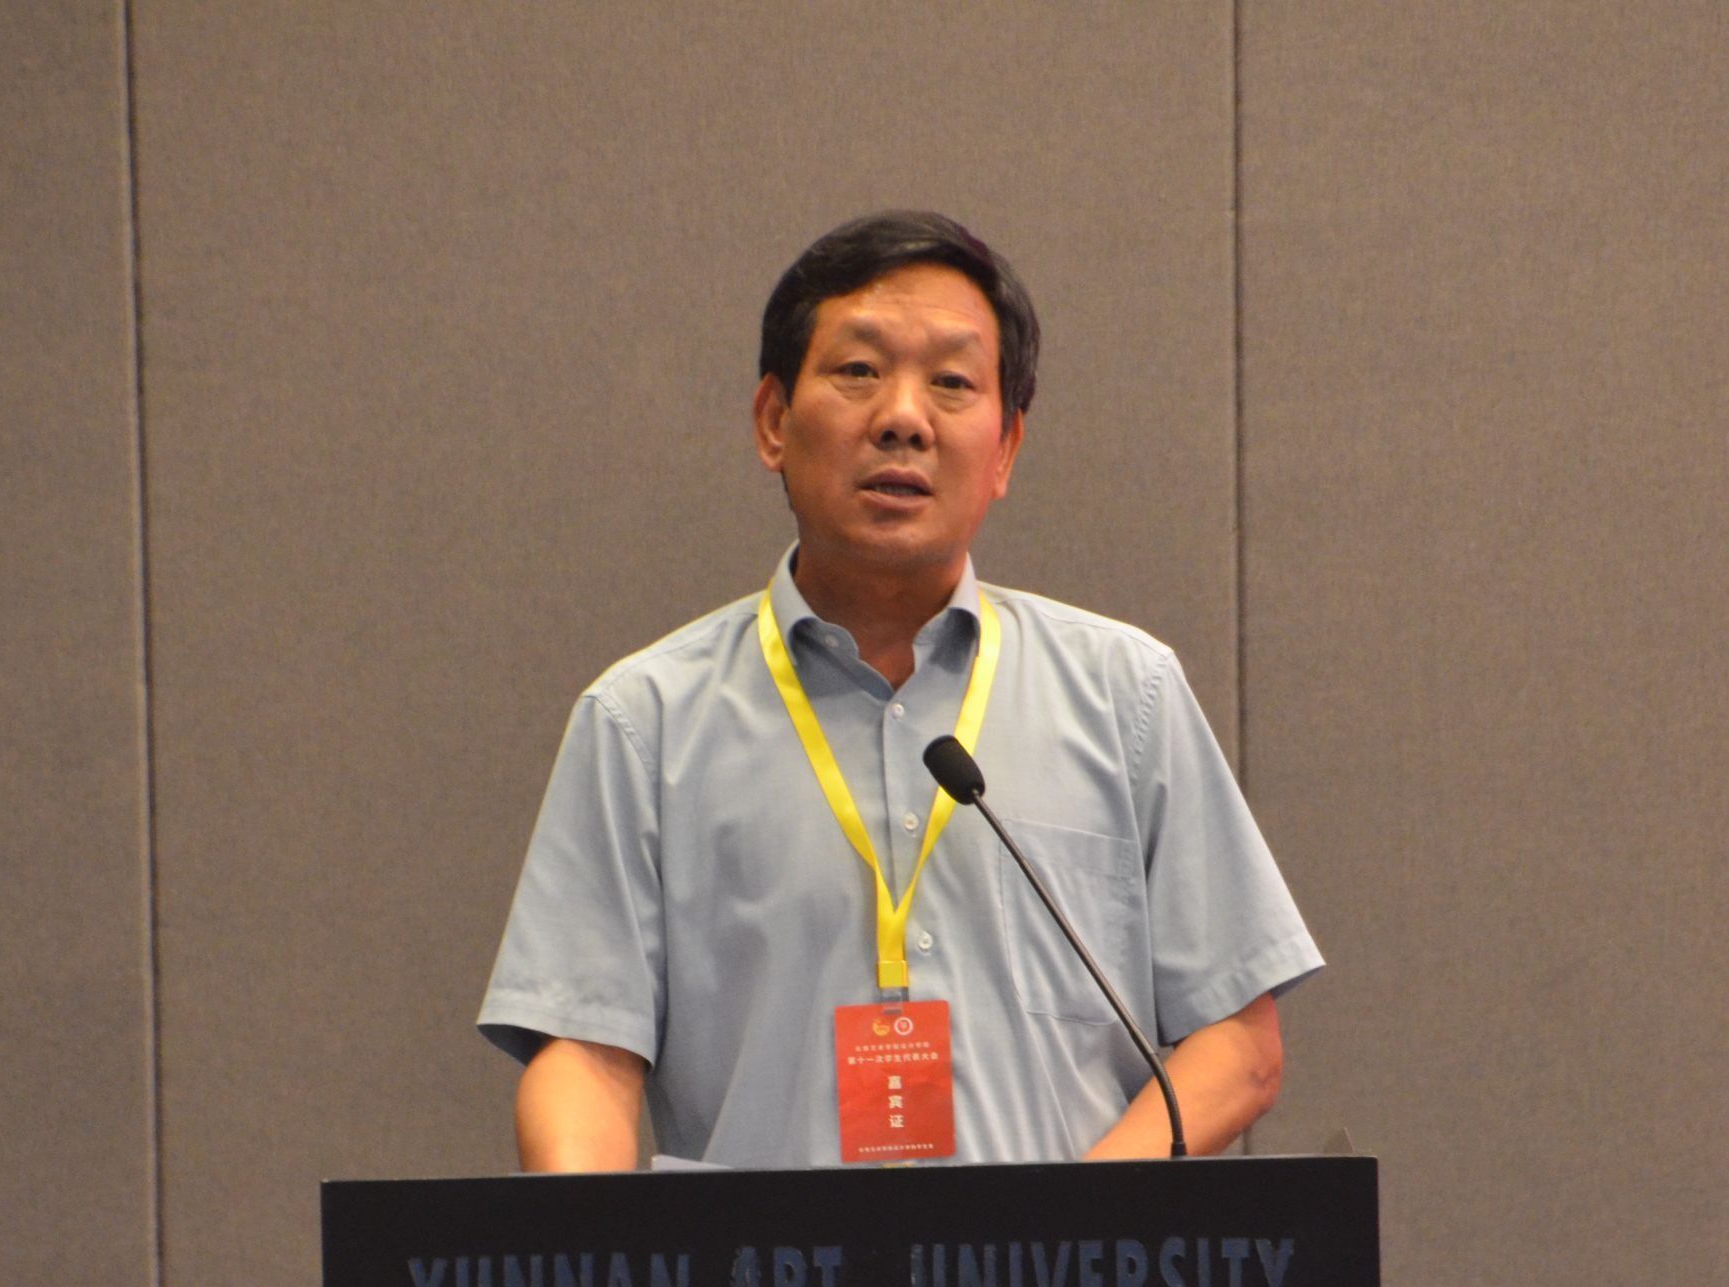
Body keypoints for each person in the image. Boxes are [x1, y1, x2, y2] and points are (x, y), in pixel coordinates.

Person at [479, 211, 1321, 1172]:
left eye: (952, 383)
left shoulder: (1125, 696)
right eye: (858, 370)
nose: (903, 418)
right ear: (772, 421)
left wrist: (1064, 1229)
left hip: (1055, 1272)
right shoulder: (644, 723)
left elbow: (1238, 1045)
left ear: (1005, 449)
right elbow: (583, 1056)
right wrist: (596, 1245)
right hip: (765, 1272)